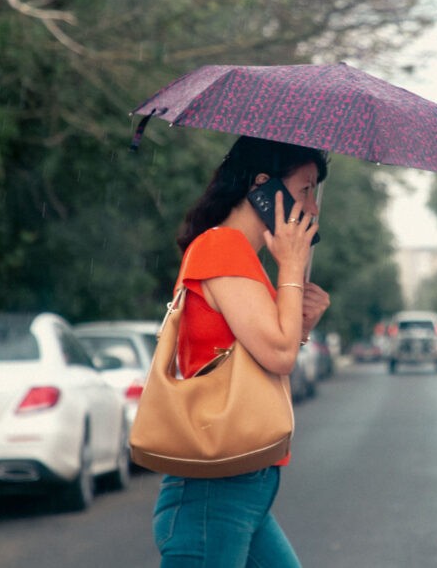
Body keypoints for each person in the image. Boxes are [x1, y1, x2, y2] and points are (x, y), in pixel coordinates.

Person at [152, 136, 330, 568]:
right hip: (214, 494)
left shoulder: (243, 261)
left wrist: (300, 324)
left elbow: (261, 357)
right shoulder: (221, 248)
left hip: (242, 490)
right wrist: (290, 267)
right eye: (305, 188)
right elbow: (281, 357)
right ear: (263, 186)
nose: (313, 207)